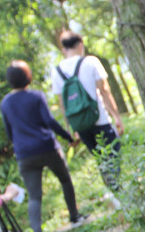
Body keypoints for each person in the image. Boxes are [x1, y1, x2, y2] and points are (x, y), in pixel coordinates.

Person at [0, 60, 87, 232]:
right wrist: (68, 137)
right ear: (27, 77)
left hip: (24, 154)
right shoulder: (35, 96)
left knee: (34, 196)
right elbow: (49, 120)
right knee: (65, 180)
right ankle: (75, 217)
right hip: (47, 147)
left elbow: (8, 132)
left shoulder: (5, 103)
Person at [51, 30, 125, 199]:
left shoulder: (56, 71)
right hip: (100, 119)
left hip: (80, 125)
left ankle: (114, 193)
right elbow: (105, 91)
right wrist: (117, 116)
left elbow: (63, 104)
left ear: (63, 49)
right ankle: (119, 193)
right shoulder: (91, 61)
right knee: (113, 154)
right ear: (80, 45)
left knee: (100, 159)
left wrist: (71, 129)